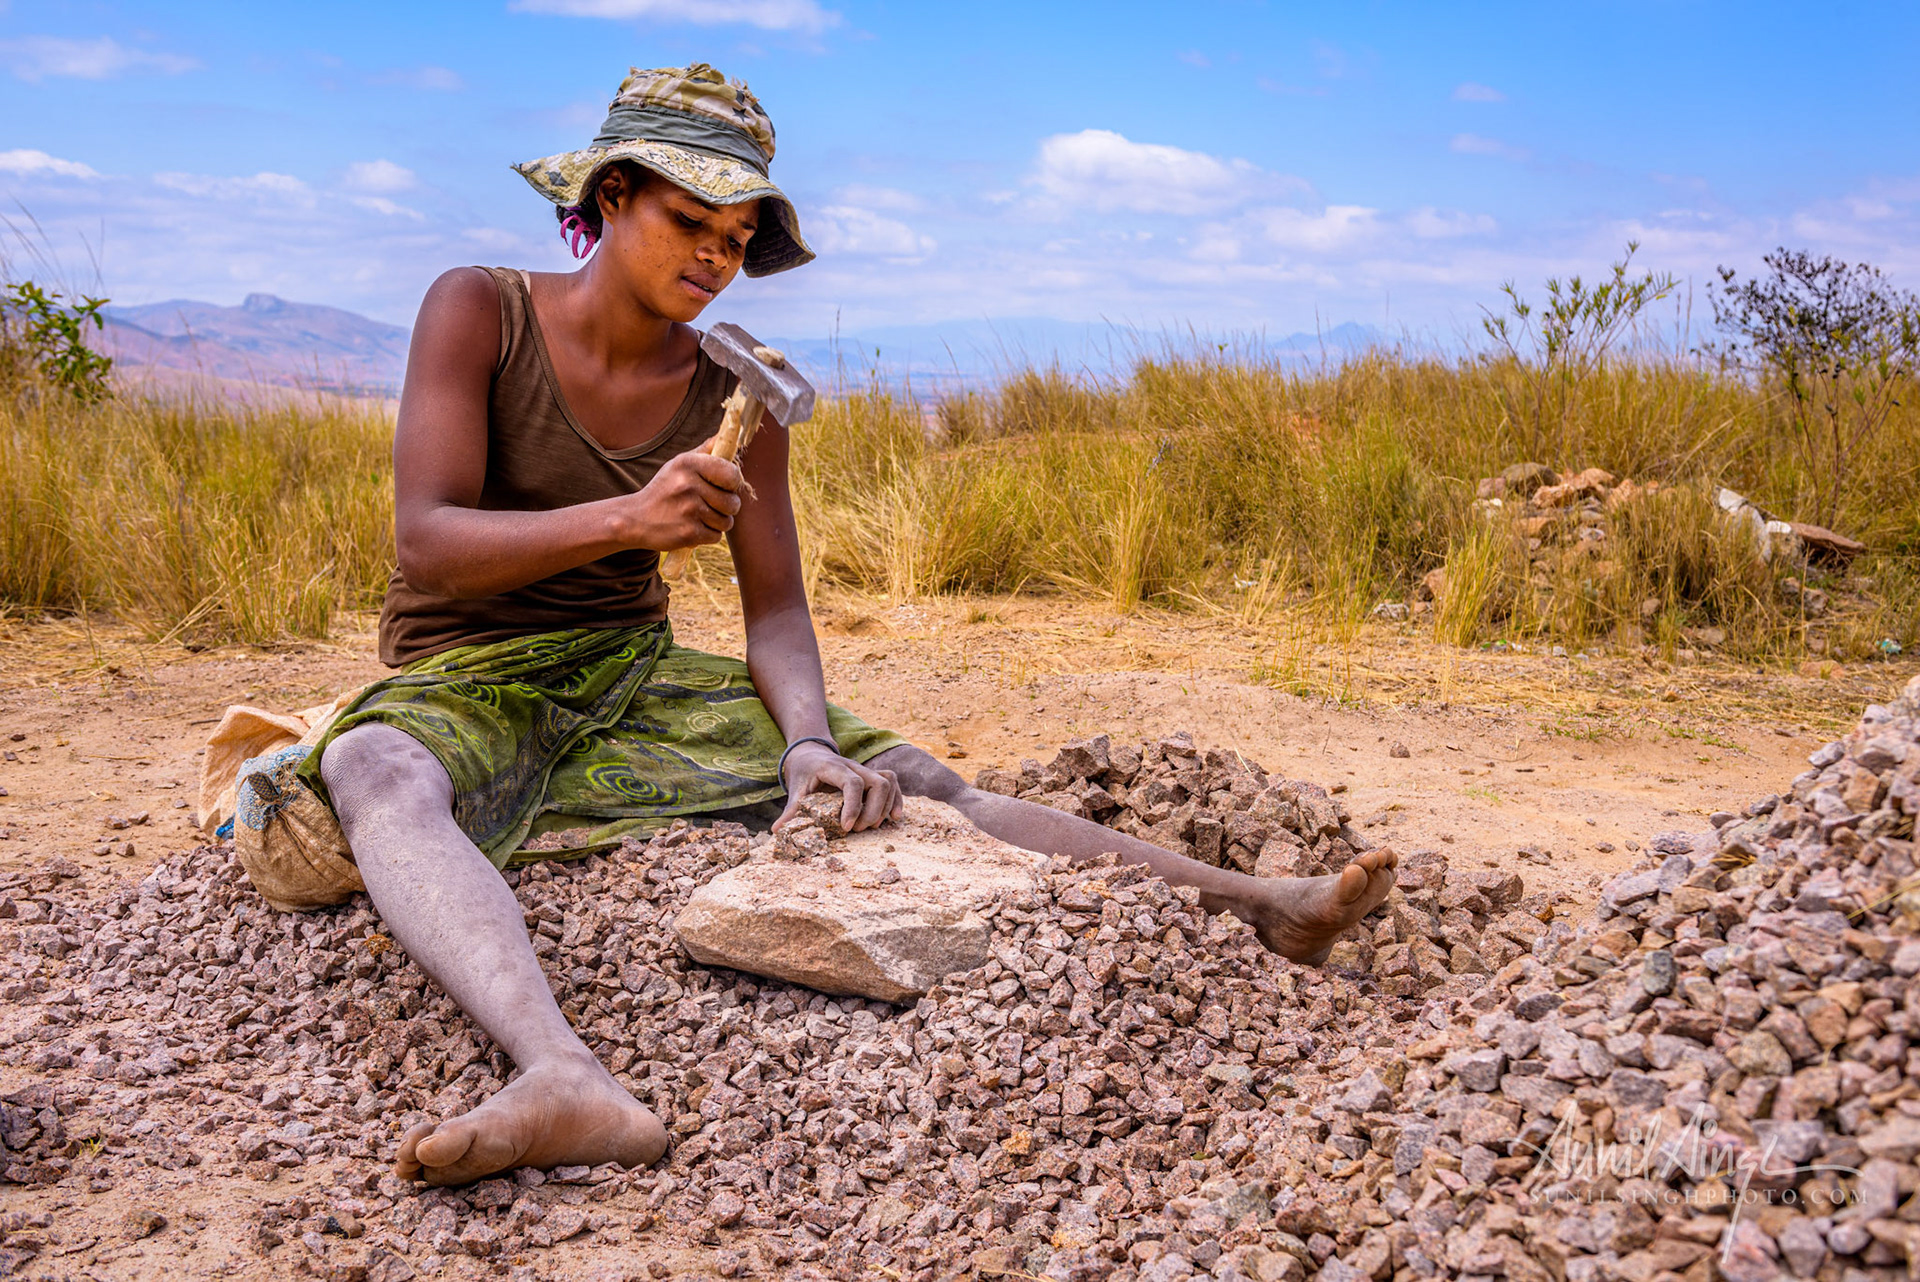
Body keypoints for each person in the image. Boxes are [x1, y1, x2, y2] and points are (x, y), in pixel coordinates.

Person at [303, 63, 1397, 1189]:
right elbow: (428, 538)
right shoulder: (480, 309)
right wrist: (632, 515)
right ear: (613, 194)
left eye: (735, 237)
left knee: (921, 781)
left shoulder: (738, 391)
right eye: (689, 221)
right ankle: (560, 1072)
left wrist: (810, 745)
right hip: (468, 669)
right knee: (373, 766)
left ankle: (1265, 906)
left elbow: (775, 609)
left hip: (629, 675)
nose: (714, 259)